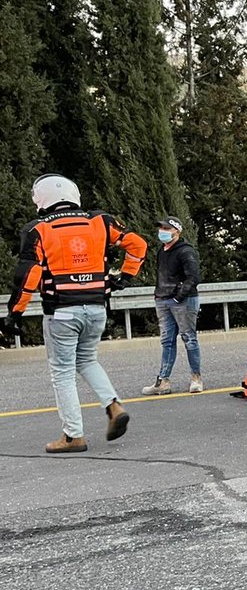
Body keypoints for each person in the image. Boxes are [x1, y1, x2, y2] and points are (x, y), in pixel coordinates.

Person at [3, 174, 146, 453]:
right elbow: (138, 245)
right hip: (95, 308)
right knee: (88, 361)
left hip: (61, 312)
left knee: (62, 373)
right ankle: (113, 406)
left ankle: (73, 436)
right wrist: (125, 276)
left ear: (41, 198)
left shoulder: (38, 229)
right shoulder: (100, 221)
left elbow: (30, 275)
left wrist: (14, 314)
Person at [141, 216, 203, 396]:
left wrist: (179, 296)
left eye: (167, 229)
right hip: (163, 299)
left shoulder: (186, 251)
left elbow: (193, 277)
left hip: (182, 301)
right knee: (167, 341)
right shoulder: (162, 250)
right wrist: (159, 296)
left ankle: (196, 378)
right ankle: (163, 381)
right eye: (161, 228)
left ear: (177, 231)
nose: (162, 232)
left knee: (189, 338)